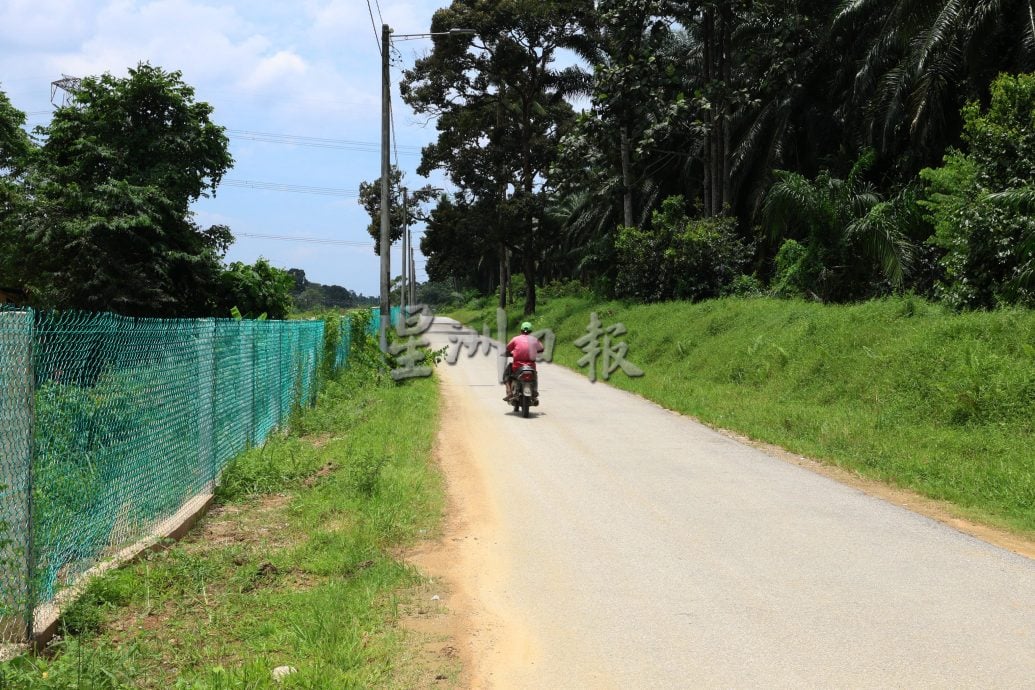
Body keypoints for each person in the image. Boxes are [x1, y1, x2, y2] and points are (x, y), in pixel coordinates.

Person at [504, 321, 544, 401]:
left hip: (517, 366)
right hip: (531, 366)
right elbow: (541, 349)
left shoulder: (515, 339)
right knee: (534, 376)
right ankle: (535, 391)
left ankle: (509, 392)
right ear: (531, 331)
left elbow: (508, 348)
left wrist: (508, 353)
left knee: (507, 375)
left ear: (521, 330)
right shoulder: (534, 340)